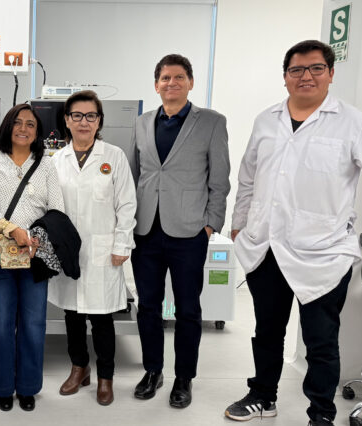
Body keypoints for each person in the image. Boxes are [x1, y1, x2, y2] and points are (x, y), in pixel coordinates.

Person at [224, 40, 362, 426]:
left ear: (330, 74)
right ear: (285, 77)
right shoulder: (266, 120)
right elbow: (248, 176)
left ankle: (321, 413)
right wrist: (239, 222)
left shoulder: (353, 122)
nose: (306, 76)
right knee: (267, 331)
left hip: (324, 251)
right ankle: (263, 395)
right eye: (296, 70)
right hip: (267, 246)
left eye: (315, 68)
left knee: (320, 340)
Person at [127, 54, 231, 408]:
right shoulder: (142, 122)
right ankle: (152, 370)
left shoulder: (212, 122)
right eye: (165, 78)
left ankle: (184, 378)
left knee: (187, 308)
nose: (171, 83)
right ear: (156, 84)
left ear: (190, 82)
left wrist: (210, 224)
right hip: (146, 230)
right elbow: (134, 173)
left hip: (189, 231)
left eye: (179, 77)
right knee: (148, 306)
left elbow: (220, 179)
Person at [0, 103, 65, 412]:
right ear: (8, 126)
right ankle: (1, 387)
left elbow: (57, 208)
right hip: (1, 254)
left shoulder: (46, 164)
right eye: (18, 122)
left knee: (33, 323)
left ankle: (27, 387)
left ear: (37, 132)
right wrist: (12, 229)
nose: (24, 129)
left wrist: (37, 238)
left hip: (35, 254)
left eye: (31, 124)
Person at [49, 90, 136, 406]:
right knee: (72, 314)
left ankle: (105, 377)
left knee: (102, 318)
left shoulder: (114, 156)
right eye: (77, 115)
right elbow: (49, 206)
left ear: (99, 121)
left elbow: (127, 204)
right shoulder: (56, 161)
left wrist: (122, 243)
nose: (83, 122)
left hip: (103, 249)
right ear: (67, 120)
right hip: (69, 250)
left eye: (91, 116)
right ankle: (79, 368)